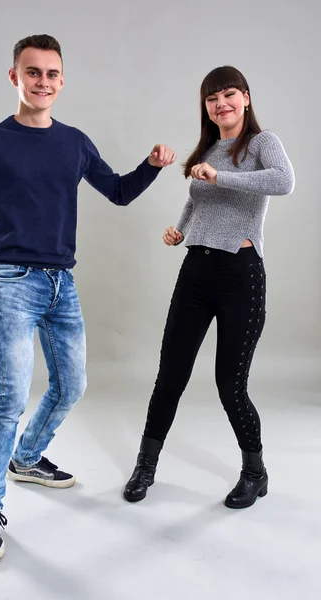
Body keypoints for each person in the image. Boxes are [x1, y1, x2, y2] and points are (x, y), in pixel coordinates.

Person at [0, 34, 176, 562]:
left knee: (72, 385)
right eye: (33, 73)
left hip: (62, 284)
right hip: (12, 281)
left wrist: (152, 165)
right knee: (10, 396)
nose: (44, 82)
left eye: (52, 74)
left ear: (62, 80)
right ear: (15, 77)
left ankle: (26, 458)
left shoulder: (74, 142)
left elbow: (119, 191)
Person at [123, 65, 294, 509]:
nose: (221, 104)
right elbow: (197, 197)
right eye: (212, 98)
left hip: (240, 275)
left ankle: (255, 473)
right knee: (170, 376)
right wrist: (180, 229)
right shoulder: (209, 148)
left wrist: (223, 177)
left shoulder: (261, 143)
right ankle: (146, 466)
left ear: (246, 98)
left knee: (229, 383)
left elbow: (283, 181)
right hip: (195, 273)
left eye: (229, 95)